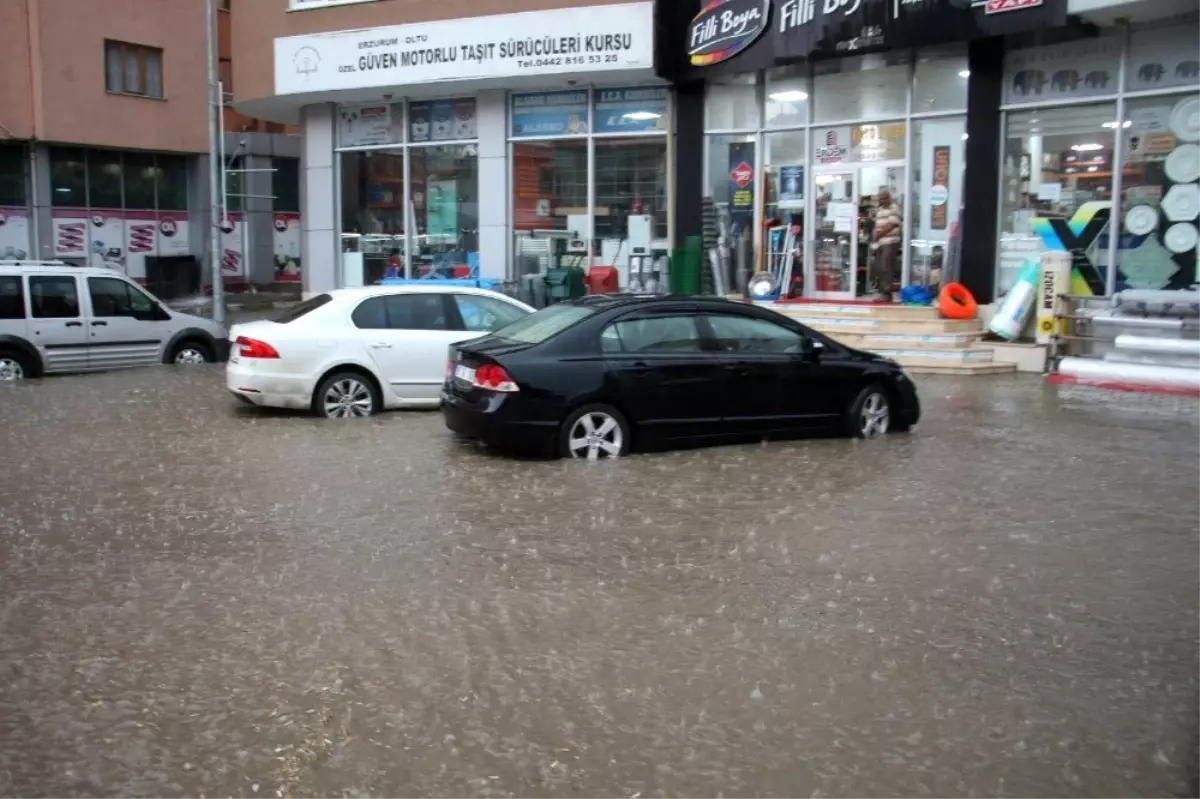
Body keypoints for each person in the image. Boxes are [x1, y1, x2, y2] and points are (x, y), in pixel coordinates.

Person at [871, 188, 902, 300]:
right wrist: (874, 233)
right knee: (878, 267)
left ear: (889, 197)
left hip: (890, 242)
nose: (882, 200)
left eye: (884, 198)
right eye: (880, 198)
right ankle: (882, 292)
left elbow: (891, 225)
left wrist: (878, 234)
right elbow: (877, 225)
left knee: (886, 266)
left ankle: (887, 293)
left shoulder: (894, 208)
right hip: (880, 243)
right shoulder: (879, 210)